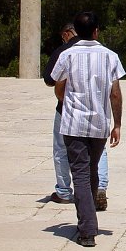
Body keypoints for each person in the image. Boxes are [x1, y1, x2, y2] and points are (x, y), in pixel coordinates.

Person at [51, 12, 124, 247]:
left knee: (81, 174)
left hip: (73, 123)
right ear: (96, 31)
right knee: (90, 171)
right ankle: (89, 219)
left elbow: (58, 86)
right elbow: (115, 93)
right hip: (99, 123)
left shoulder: (67, 54)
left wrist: (66, 100)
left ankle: (87, 229)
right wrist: (118, 124)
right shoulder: (110, 56)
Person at [43, 22, 110, 208]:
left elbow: (50, 80)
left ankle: (64, 191)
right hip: (97, 110)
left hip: (68, 111)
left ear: (67, 33)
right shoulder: (104, 52)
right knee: (100, 150)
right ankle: (101, 187)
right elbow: (115, 89)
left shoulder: (64, 52)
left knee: (61, 150)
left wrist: (63, 100)